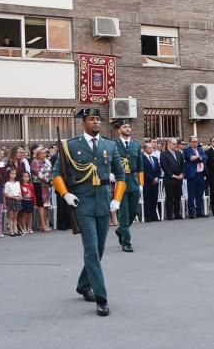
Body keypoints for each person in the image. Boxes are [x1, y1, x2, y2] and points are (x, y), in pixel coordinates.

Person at [52, 108, 126, 317]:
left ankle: (83, 285)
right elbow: (56, 174)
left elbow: (120, 174)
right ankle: (101, 298)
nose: (96, 122)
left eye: (98, 119)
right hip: (82, 203)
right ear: (83, 122)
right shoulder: (71, 145)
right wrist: (66, 194)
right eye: (91, 119)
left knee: (99, 249)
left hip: (103, 201)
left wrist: (117, 199)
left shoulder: (109, 145)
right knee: (91, 250)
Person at [113, 119, 143, 252]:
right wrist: (111, 174)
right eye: (125, 127)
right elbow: (108, 161)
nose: (128, 129)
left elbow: (141, 165)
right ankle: (126, 242)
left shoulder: (136, 145)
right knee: (124, 212)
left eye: (129, 127)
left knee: (134, 211)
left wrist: (141, 183)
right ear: (119, 130)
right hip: (121, 180)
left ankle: (121, 230)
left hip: (133, 180)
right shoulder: (113, 145)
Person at [183, 136, 208, 218]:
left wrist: (198, 157)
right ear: (190, 142)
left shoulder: (200, 149)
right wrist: (199, 157)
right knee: (191, 195)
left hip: (201, 174)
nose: (195, 143)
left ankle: (199, 212)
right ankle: (191, 212)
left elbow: (205, 157)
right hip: (192, 175)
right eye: (193, 141)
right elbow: (191, 159)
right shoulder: (187, 150)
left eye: (196, 141)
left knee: (199, 194)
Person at [160, 138, 186, 219]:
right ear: (169, 144)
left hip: (179, 179)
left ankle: (177, 213)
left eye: (176, 144)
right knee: (170, 197)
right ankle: (169, 214)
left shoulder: (179, 153)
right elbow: (164, 167)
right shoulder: (164, 154)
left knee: (178, 197)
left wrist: (182, 174)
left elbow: (183, 165)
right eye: (174, 144)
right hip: (170, 179)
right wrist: (173, 175)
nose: (175, 145)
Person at [142, 141, 163, 221]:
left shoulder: (154, 158)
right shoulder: (142, 158)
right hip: (147, 182)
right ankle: (148, 216)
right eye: (150, 148)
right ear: (145, 149)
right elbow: (143, 170)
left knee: (154, 199)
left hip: (155, 182)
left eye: (152, 148)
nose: (152, 149)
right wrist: (152, 179)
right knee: (147, 200)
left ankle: (154, 215)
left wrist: (157, 178)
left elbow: (159, 170)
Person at [4, 168, 22, 236]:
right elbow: (6, 194)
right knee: (11, 216)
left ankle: (15, 229)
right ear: (9, 174)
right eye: (11, 173)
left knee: (16, 216)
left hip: (17, 199)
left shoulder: (17, 183)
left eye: (14, 173)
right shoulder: (7, 183)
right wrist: (13, 197)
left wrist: (20, 196)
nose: (13, 175)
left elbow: (19, 191)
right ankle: (11, 230)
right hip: (11, 199)